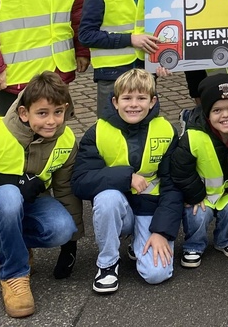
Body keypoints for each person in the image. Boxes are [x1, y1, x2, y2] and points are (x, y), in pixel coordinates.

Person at [0, 71, 83, 318]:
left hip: (31, 203)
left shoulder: (66, 139)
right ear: (24, 113)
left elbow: (65, 189)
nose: (51, 121)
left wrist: (71, 242)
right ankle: (13, 275)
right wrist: (5, 180)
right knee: (9, 195)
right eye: (42, 113)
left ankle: (16, 244)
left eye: (57, 112)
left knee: (62, 229)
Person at [71, 69, 181, 294]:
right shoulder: (98, 132)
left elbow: (173, 185)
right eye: (127, 98)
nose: (134, 104)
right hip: (119, 209)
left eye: (141, 98)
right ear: (115, 101)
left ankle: (138, 243)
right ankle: (108, 264)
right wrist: (126, 177)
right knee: (107, 198)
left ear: (152, 102)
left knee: (156, 274)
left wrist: (162, 231)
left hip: (151, 208)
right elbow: (80, 182)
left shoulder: (167, 131)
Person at [79, 0, 160, 116]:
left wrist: (164, 60)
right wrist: (130, 39)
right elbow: (86, 35)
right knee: (110, 127)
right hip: (111, 74)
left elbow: (162, 29)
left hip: (145, 71)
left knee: (146, 126)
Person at [171, 73, 228, 269]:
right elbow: (181, 170)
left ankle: (226, 239)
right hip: (200, 194)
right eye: (217, 110)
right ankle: (193, 246)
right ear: (206, 112)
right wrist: (195, 195)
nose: (226, 115)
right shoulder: (193, 135)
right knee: (198, 215)